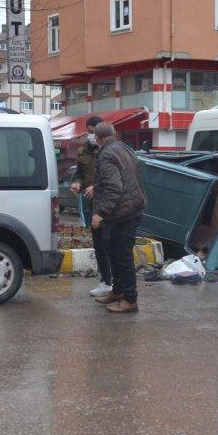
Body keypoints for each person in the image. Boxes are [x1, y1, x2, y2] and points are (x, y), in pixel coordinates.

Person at [90, 121, 147, 313]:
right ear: (113, 133)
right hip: (129, 208)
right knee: (113, 250)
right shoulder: (124, 147)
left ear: (97, 138)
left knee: (122, 256)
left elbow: (114, 187)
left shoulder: (106, 155)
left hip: (123, 212)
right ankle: (118, 291)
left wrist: (100, 213)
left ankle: (130, 300)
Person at [72, 116, 113, 297]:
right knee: (99, 244)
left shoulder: (111, 151)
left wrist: (96, 187)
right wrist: (77, 183)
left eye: (95, 132)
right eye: (89, 132)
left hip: (110, 204)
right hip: (92, 205)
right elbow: (79, 174)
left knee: (110, 244)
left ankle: (115, 282)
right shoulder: (82, 151)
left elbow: (115, 179)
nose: (92, 136)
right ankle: (105, 281)